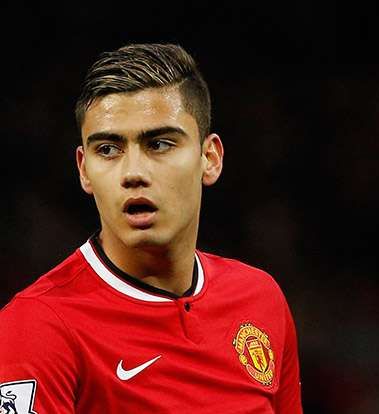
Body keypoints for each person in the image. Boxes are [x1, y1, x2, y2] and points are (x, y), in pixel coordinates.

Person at [0, 43, 302, 413]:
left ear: (210, 158)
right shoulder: (37, 327)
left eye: (158, 144)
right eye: (108, 149)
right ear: (84, 170)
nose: (133, 173)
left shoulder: (260, 298)